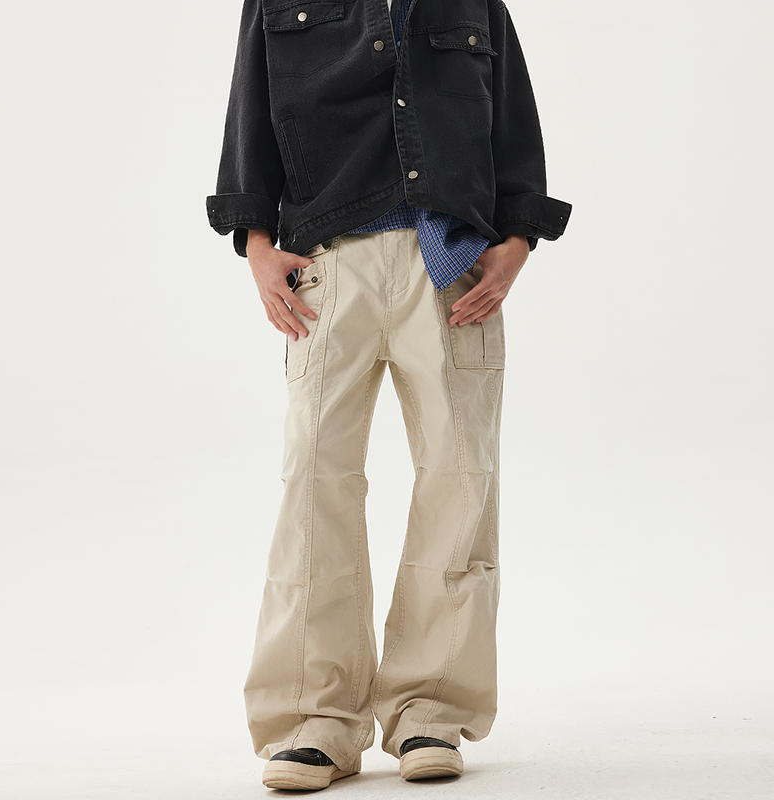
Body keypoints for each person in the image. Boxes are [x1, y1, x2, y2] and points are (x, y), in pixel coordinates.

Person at [206, 0, 572, 790]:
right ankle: (314, 720)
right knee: (313, 482)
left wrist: (517, 244)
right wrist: (257, 246)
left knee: (459, 482)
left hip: (453, 268)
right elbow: (249, 115)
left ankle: (430, 712)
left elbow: (514, 121)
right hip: (324, 269)